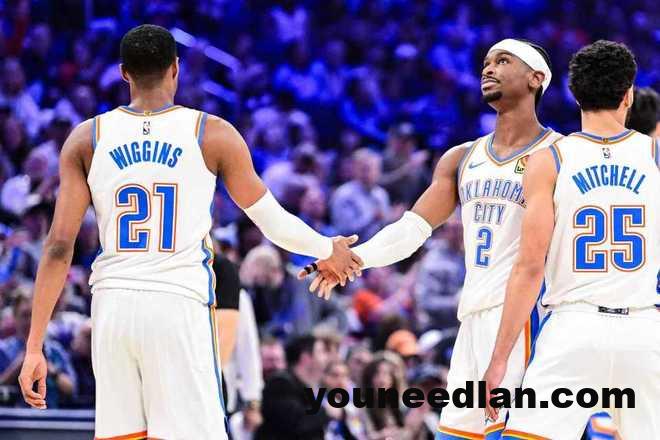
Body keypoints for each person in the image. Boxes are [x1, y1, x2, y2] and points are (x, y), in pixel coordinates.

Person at [17, 24, 361, 439]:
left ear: (124, 73)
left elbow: (58, 246)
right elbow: (270, 219)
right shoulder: (211, 132)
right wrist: (327, 247)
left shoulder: (87, 137)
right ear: (176, 68)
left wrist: (34, 346)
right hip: (176, 304)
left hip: (111, 307)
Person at [304, 38, 562, 438]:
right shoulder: (462, 157)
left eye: (503, 61)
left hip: (527, 316)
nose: (488, 68)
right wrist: (355, 258)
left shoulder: (561, 154)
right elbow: (412, 229)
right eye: (486, 61)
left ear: (536, 78)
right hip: (473, 316)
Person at [483, 40, 659, 439]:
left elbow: (529, 267)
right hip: (644, 330)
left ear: (575, 96)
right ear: (628, 96)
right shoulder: (656, 156)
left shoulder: (550, 160)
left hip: (573, 328)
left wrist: (499, 359)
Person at [256, 334, 330, 440]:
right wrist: (327, 411)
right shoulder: (280, 383)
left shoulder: (311, 386)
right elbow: (296, 422)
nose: (326, 358)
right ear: (306, 358)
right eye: (321, 352)